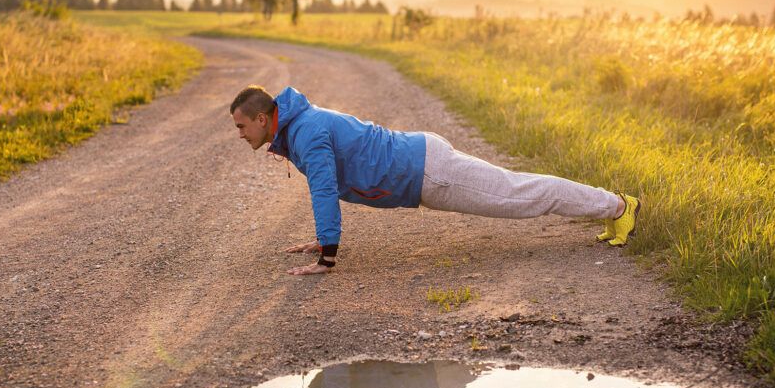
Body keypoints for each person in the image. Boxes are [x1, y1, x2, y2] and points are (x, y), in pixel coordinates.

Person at [230, 85, 639, 275]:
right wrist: (323, 240)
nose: (241, 134)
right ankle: (610, 208)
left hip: (428, 172)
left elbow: (322, 188)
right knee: (518, 191)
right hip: (422, 162)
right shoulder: (300, 127)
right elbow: (333, 177)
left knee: (519, 194)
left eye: (242, 126)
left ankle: (619, 206)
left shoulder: (306, 132)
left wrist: (328, 255)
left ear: (264, 119)